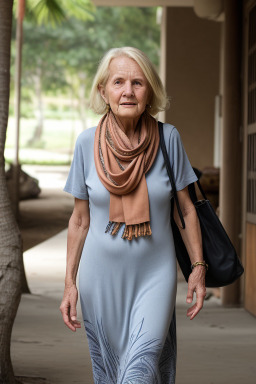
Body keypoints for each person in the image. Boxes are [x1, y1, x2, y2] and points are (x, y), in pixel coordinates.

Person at [60, 46, 207, 383]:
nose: (128, 91)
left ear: (149, 92)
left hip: (154, 277)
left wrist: (198, 267)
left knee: (138, 373)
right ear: (103, 91)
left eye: (138, 83)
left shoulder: (168, 139)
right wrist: (69, 283)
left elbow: (185, 208)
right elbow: (80, 219)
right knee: (110, 374)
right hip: (100, 281)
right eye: (119, 82)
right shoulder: (86, 144)